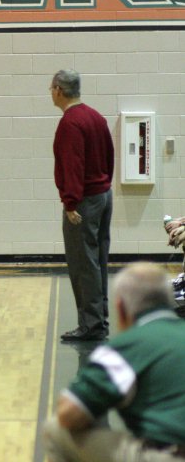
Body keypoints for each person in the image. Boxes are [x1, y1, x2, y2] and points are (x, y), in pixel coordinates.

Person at [44, 263, 185, 462]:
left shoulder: (128, 346)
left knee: (57, 430)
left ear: (120, 308)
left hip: (168, 454)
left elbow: (69, 413)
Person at [51, 69, 114, 342]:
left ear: (58, 90)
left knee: (83, 264)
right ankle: (99, 318)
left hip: (84, 202)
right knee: (98, 260)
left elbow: (72, 166)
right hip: (103, 195)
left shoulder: (70, 123)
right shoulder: (96, 117)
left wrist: (70, 202)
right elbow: (110, 155)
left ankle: (91, 325)